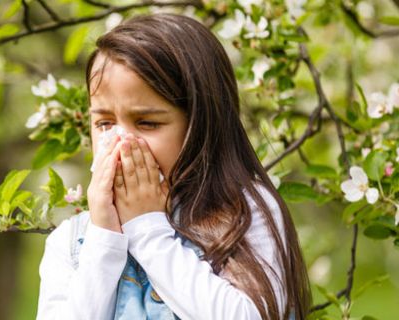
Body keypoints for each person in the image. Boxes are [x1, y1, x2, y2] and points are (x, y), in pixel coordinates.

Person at [36, 13, 311, 320]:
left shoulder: (245, 213)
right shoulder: (72, 242)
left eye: (147, 123)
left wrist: (148, 230)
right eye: (104, 123)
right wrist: (104, 239)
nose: (121, 142)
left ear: (201, 124)